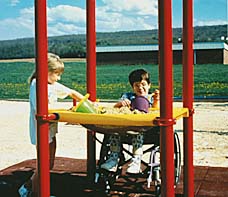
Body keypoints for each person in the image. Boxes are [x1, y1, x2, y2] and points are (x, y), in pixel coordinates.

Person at [18, 53, 84, 197]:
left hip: (50, 130)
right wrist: (66, 112)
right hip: (41, 129)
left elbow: (72, 92)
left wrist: (89, 103)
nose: (58, 78)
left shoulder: (51, 84)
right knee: (43, 165)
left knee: (49, 164)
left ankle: (28, 187)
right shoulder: (37, 85)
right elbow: (41, 109)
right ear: (45, 71)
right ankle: (35, 193)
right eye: (56, 74)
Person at [101, 69, 159, 174]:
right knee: (114, 131)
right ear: (132, 87)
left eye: (143, 84)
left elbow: (155, 109)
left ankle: (136, 160)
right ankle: (113, 159)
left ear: (149, 85)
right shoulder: (128, 96)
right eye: (137, 85)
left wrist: (156, 100)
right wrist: (121, 104)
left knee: (137, 132)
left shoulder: (151, 98)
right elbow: (115, 107)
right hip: (125, 130)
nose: (140, 88)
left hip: (146, 130)